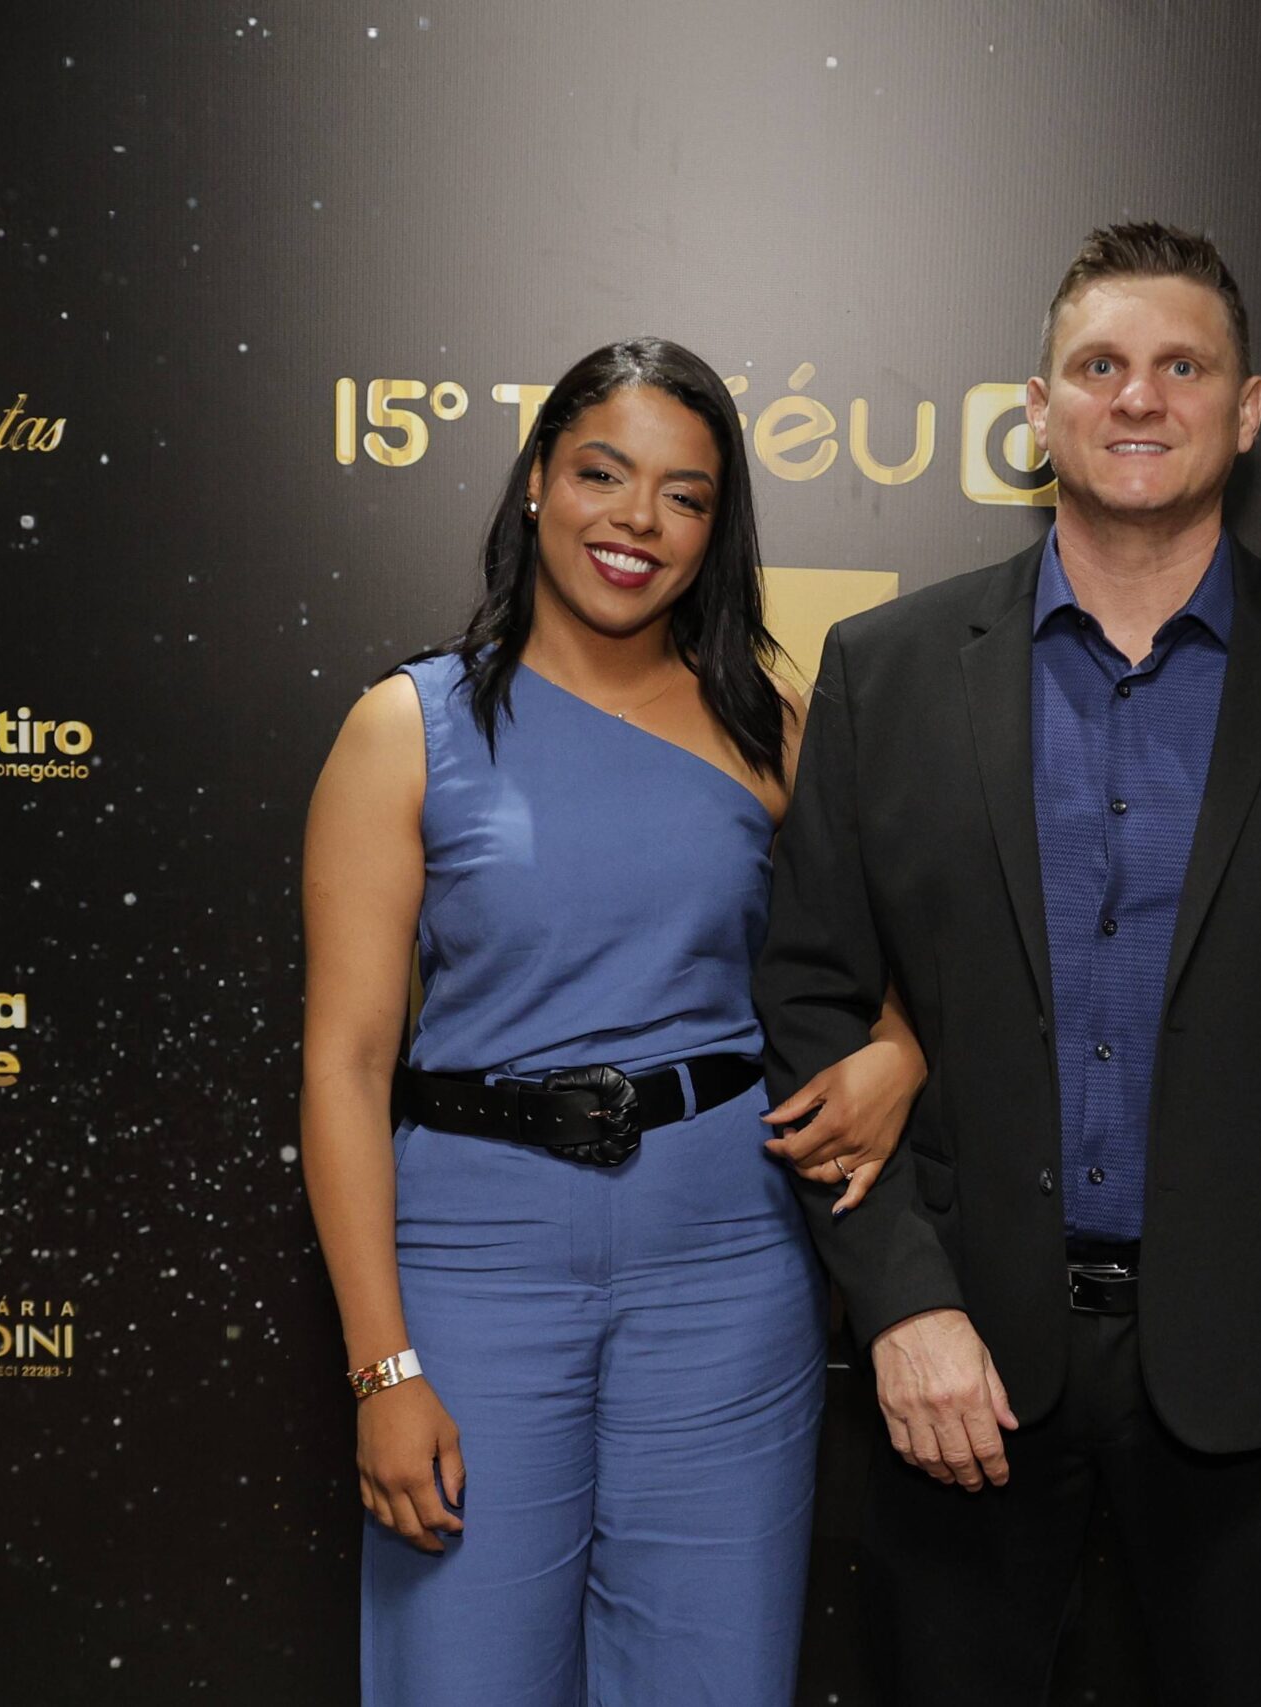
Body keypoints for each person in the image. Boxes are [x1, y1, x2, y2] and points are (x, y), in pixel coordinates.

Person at [756, 224, 1261, 1704]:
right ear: (1038, 410)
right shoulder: (888, 670)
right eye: (1099, 366)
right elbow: (810, 1002)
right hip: (964, 1360)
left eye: (1181, 367)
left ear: (1248, 409)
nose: (1139, 397)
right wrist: (901, 1304)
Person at [299, 337, 922, 1706]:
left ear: (717, 528)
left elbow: (886, 987)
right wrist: (382, 1368)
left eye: (684, 496)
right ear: (537, 480)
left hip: (729, 1266)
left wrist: (901, 1055)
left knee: (714, 1677)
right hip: (475, 1268)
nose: (638, 521)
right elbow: (346, 1066)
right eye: (602, 473)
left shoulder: (773, 727)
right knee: (464, 1674)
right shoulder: (406, 728)